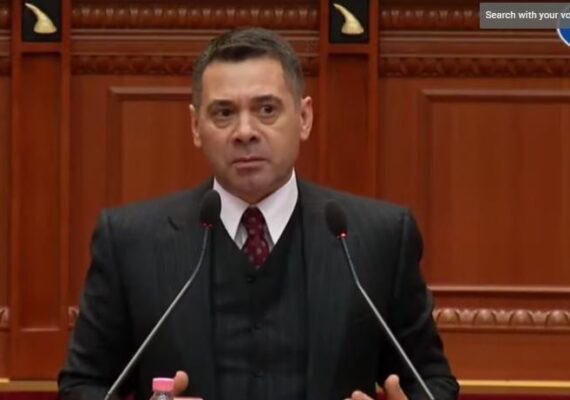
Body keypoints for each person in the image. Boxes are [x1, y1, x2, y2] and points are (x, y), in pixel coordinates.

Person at [58, 27, 459, 400]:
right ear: (195, 126)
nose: (245, 131)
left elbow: (432, 381)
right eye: (223, 113)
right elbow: (82, 385)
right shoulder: (130, 242)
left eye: (267, 109)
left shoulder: (379, 237)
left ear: (304, 118)